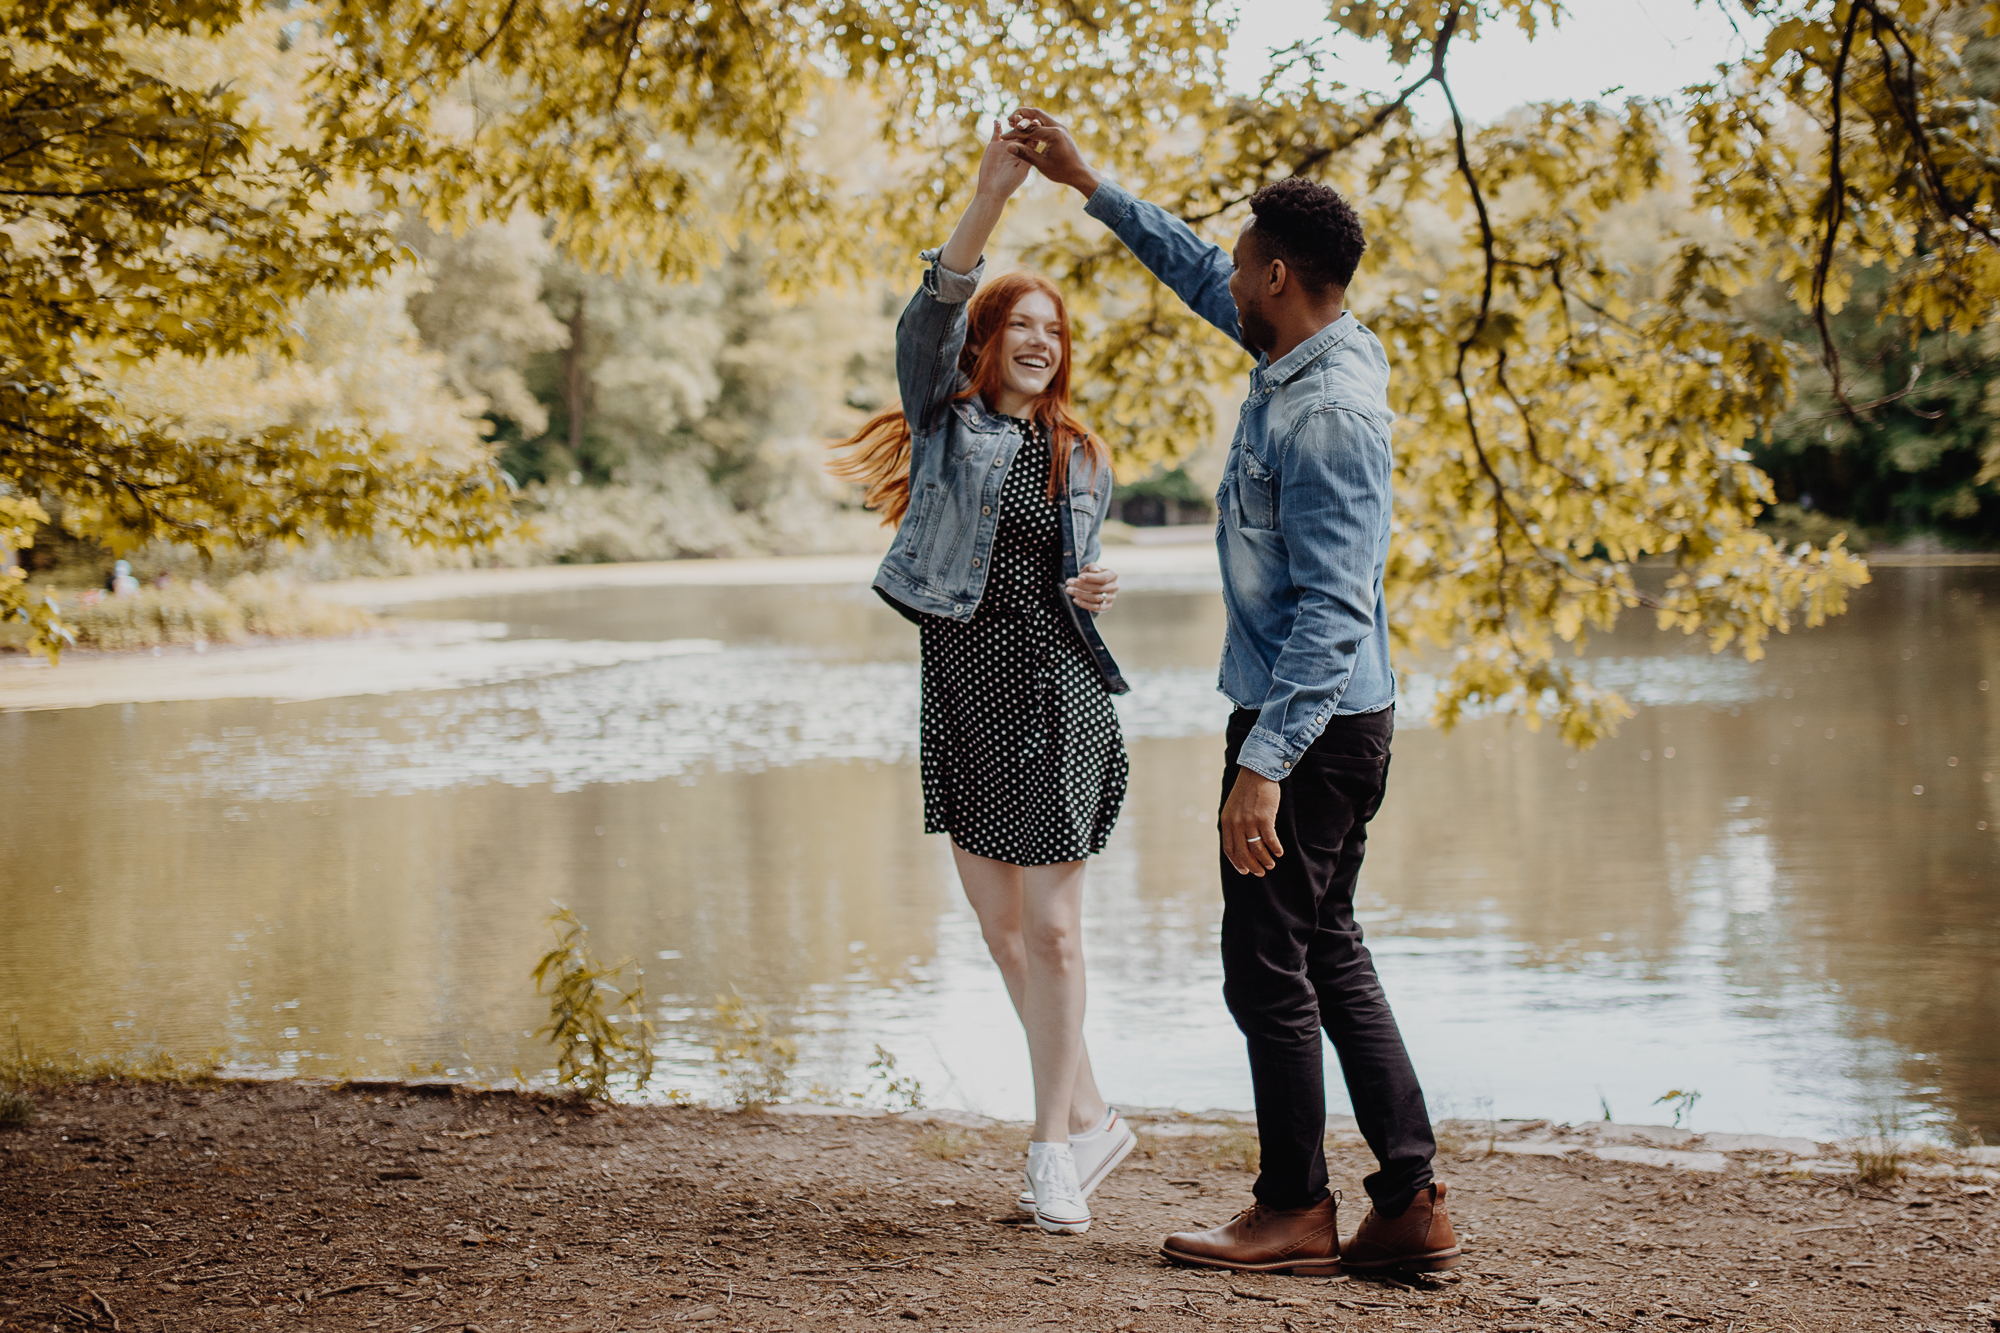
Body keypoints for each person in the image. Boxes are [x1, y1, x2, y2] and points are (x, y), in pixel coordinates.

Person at [1007, 109, 1460, 1276]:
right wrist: (1088, 183)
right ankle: (1407, 1200)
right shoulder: (1307, 345)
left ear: (1279, 277)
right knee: (1325, 945)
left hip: (1306, 720)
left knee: (1266, 961)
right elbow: (1196, 270)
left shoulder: (1327, 413)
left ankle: (1293, 1209)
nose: (1229, 276)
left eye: (1243, 260)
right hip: (1331, 714)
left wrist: (1261, 765)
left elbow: (1334, 607)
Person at [828, 120, 1137, 1236]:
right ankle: (1094, 1113)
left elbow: (1070, 571)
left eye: (1056, 330)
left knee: (1052, 932)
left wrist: (1088, 588)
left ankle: (1052, 1151)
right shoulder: (942, 424)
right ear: (988, 340)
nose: (1042, 342)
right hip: (963, 689)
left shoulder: (1082, 455)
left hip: (1054, 696)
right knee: (1002, 933)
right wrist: (988, 195)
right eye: (1024, 325)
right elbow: (930, 308)